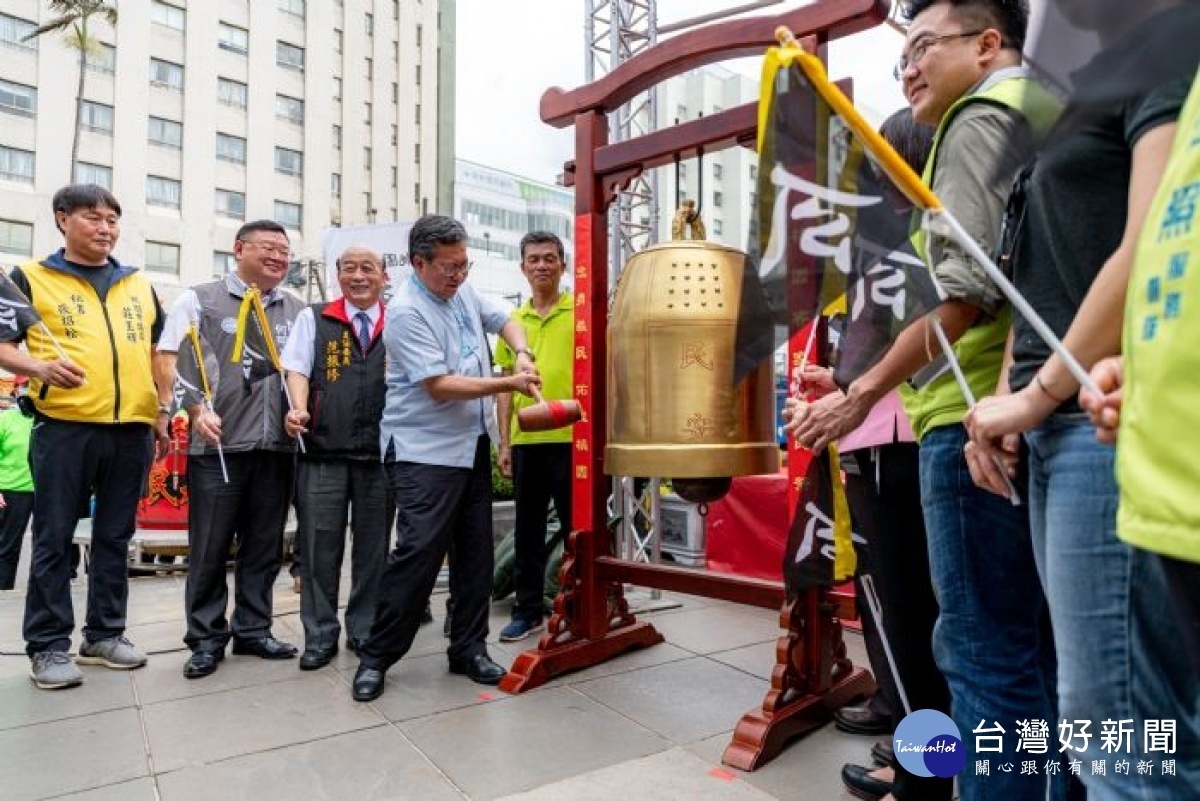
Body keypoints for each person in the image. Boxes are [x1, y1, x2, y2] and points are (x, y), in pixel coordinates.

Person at [788, 2, 1067, 798]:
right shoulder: (1039, 112)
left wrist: (856, 391)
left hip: (951, 418)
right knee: (995, 646)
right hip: (986, 406)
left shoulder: (975, 122)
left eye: (921, 49)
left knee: (962, 646)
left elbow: (965, 293)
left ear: (987, 45)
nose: (909, 68)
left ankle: (923, 771)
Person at [963, 4, 1200, 796]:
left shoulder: (1165, 53)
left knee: (1124, 741)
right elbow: (1024, 275)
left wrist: (1033, 398)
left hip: (1098, 422)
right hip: (1053, 424)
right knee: (1087, 722)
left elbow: (1148, 245)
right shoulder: (1063, 100)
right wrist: (999, 405)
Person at [789, 109, 952, 801]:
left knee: (909, 617)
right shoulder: (905, 235)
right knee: (920, 616)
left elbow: (910, 344)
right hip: (890, 430)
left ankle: (922, 773)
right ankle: (921, 759)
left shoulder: (907, 237)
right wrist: (842, 382)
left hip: (896, 438)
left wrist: (853, 388)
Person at [350, 214, 540, 702]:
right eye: (449, 267)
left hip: (469, 445)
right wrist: (509, 382)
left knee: (475, 554)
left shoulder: (462, 294)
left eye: (464, 265)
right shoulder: (408, 311)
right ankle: (377, 656)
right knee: (418, 555)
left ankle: (468, 648)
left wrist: (520, 352)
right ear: (419, 263)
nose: (459, 275)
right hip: (423, 452)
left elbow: (506, 321)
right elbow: (439, 387)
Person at [0, 184, 169, 690]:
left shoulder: (138, 284)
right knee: (53, 538)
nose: (105, 228)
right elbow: (4, 345)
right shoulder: (28, 278)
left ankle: (104, 635)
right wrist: (38, 365)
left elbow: (159, 351)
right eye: (93, 217)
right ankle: (49, 646)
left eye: (113, 220)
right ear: (61, 220)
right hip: (65, 428)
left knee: (114, 537)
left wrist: (160, 411)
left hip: (131, 429)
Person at [158, 220, 304, 679]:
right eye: (269, 248)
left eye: (285, 251)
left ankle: (254, 630)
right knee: (209, 549)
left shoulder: (297, 310)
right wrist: (195, 410)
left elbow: (300, 374)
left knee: (264, 546)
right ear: (239, 248)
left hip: (275, 450)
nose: (279, 257)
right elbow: (167, 361)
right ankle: (204, 638)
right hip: (216, 448)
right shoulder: (199, 299)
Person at [281, 245, 391, 670]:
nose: (358, 276)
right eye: (349, 269)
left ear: (384, 274)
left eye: (368, 267)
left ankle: (363, 629)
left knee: (373, 551)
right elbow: (297, 369)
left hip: (380, 454)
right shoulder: (316, 317)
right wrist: (298, 408)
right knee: (318, 548)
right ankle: (320, 634)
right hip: (323, 452)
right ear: (338, 275)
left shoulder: (397, 321)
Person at [495, 232, 573, 643]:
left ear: (563, 264)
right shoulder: (513, 323)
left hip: (573, 440)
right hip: (527, 442)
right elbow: (506, 386)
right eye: (533, 260)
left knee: (579, 528)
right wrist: (505, 443)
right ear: (523, 267)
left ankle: (581, 604)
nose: (541, 265)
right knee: (526, 528)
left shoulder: (580, 313)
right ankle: (527, 610)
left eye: (549, 258)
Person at [0, 376, 34, 591]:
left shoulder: (47, 419)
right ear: (15, 391)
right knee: (7, 547)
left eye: (32, 385)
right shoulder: (6, 419)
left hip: (47, 491)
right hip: (12, 490)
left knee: (48, 548)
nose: (28, 390)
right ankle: (4, 594)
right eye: (24, 386)